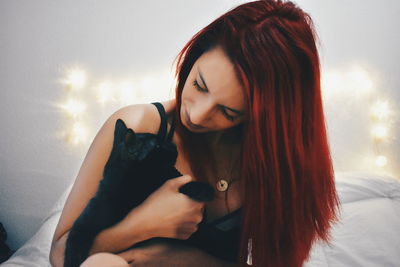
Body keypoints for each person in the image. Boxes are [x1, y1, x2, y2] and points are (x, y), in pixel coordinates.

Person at [49, 0, 340, 266]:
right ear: (193, 57)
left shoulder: (274, 163)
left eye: (229, 112)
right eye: (199, 85)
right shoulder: (138, 129)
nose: (197, 115)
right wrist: (142, 225)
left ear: (264, 119)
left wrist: (181, 257)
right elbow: (60, 254)